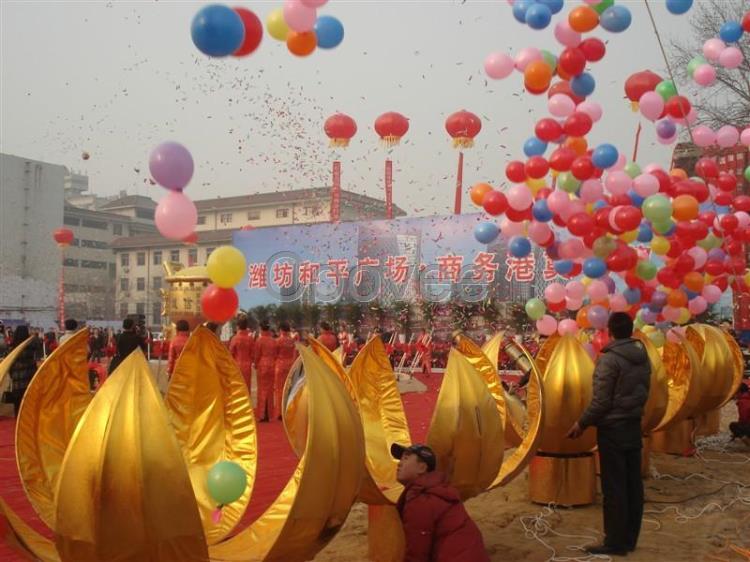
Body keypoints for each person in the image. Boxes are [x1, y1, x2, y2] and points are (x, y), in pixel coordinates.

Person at [566, 312, 651, 557]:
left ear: (610, 332)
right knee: (633, 484)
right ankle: (629, 539)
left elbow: (601, 402)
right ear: (631, 329)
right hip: (633, 424)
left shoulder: (609, 360)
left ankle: (614, 542)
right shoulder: (642, 356)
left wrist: (581, 424)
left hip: (613, 429)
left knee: (614, 487)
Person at [391, 443, 489, 562]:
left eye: (405, 459)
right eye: (400, 459)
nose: (399, 464)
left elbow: (417, 552)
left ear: (422, 468)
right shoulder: (437, 491)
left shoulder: (423, 499)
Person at [5, 325, 41, 416]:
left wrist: (12, 373)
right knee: (29, 400)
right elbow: (38, 343)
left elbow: (10, 362)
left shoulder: (12, 347)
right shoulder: (31, 344)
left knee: (18, 401)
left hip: (17, 377)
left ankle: (18, 420)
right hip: (30, 375)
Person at [254, 322, 277, 422]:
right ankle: (269, 413)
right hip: (272, 365)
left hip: (262, 365)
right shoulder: (273, 341)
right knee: (270, 390)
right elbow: (276, 354)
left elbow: (257, 354)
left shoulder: (259, 340)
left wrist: (255, 364)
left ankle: (262, 414)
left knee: (262, 390)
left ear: (261, 329)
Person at [274, 322, 297, 420]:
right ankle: (289, 410)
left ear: (281, 330)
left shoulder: (278, 341)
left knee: (279, 389)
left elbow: (275, 353)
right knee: (290, 389)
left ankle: (280, 412)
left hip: (280, 365)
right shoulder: (292, 341)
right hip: (290, 365)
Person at [229, 317, 255, 392]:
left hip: (237, 366)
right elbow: (253, 353)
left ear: (238, 326)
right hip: (247, 366)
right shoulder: (250, 339)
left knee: (238, 388)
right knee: (247, 386)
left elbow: (231, 353)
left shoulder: (235, 338)